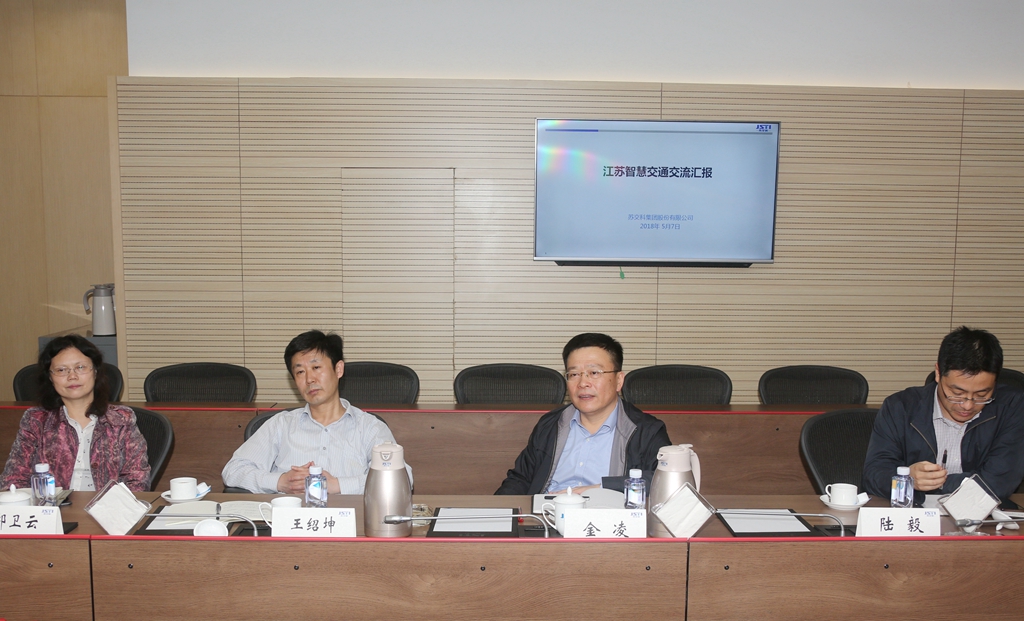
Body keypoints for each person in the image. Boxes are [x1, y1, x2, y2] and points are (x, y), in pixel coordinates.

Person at [222, 330, 411, 494]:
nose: (309, 379)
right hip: (291, 521)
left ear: (338, 369)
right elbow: (233, 470)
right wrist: (280, 482)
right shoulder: (281, 425)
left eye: (316, 367)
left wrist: (337, 485)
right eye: (300, 372)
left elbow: (402, 477)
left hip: (351, 521)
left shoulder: (369, 427)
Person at [862, 326, 1024, 503]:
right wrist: (909, 479)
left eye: (982, 395)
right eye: (957, 393)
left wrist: (924, 484)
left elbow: (999, 482)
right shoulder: (900, 407)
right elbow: (874, 476)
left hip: (983, 515)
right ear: (938, 373)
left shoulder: (1012, 407)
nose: (968, 405)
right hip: (915, 514)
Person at [496, 333, 671, 495]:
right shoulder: (550, 424)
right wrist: (499, 511)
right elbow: (520, 479)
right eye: (574, 374)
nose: (583, 383)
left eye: (594, 373)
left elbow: (664, 481)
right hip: (548, 513)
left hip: (607, 514)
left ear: (619, 381)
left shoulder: (646, 431)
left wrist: (598, 489)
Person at [0, 335, 150, 491]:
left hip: (109, 505)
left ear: (95, 371)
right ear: (50, 377)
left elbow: (138, 480)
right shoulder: (36, 421)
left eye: (80, 367)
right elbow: (13, 480)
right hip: (52, 505)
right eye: (61, 370)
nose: (72, 376)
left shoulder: (121, 419)